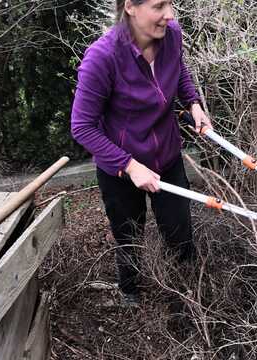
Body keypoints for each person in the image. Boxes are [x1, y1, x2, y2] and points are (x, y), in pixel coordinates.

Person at [71, 0, 212, 306]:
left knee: (180, 234)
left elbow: (179, 71)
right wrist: (129, 166)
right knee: (128, 234)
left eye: (170, 3)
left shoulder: (171, 34)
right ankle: (130, 294)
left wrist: (193, 102)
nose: (170, 14)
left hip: (167, 156)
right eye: (159, 5)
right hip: (121, 166)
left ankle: (185, 298)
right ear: (130, 7)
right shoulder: (103, 57)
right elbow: (81, 126)